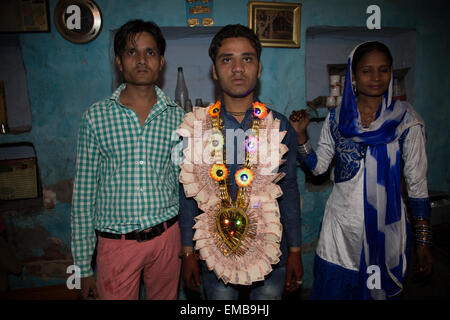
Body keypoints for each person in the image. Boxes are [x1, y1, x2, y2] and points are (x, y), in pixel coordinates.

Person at [290, 41, 433, 300]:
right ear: (353, 76)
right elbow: (319, 167)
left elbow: (417, 185)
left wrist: (423, 241)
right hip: (341, 231)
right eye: (367, 71)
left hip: (387, 231)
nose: (376, 78)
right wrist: (301, 138)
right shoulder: (337, 119)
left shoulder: (407, 121)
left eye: (384, 70)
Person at [178, 24, 303, 300]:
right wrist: (187, 251)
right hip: (215, 254)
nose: (237, 68)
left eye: (247, 59)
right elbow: (187, 195)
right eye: (227, 59)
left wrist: (295, 250)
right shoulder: (198, 127)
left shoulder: (278, 126)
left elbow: (290, 189)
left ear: (258, 69)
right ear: (214, 70)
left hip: (271, 255)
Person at [71, 19, 185, 300]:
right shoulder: (96, 117)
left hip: (167, 239)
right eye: (132, 52)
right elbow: (83, 196)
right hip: (116, 245)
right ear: (119, 62)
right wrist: (83, 268)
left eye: (150, 52)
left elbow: (185, 182)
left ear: (161, 62)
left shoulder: (178, 118)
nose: (142, 60)